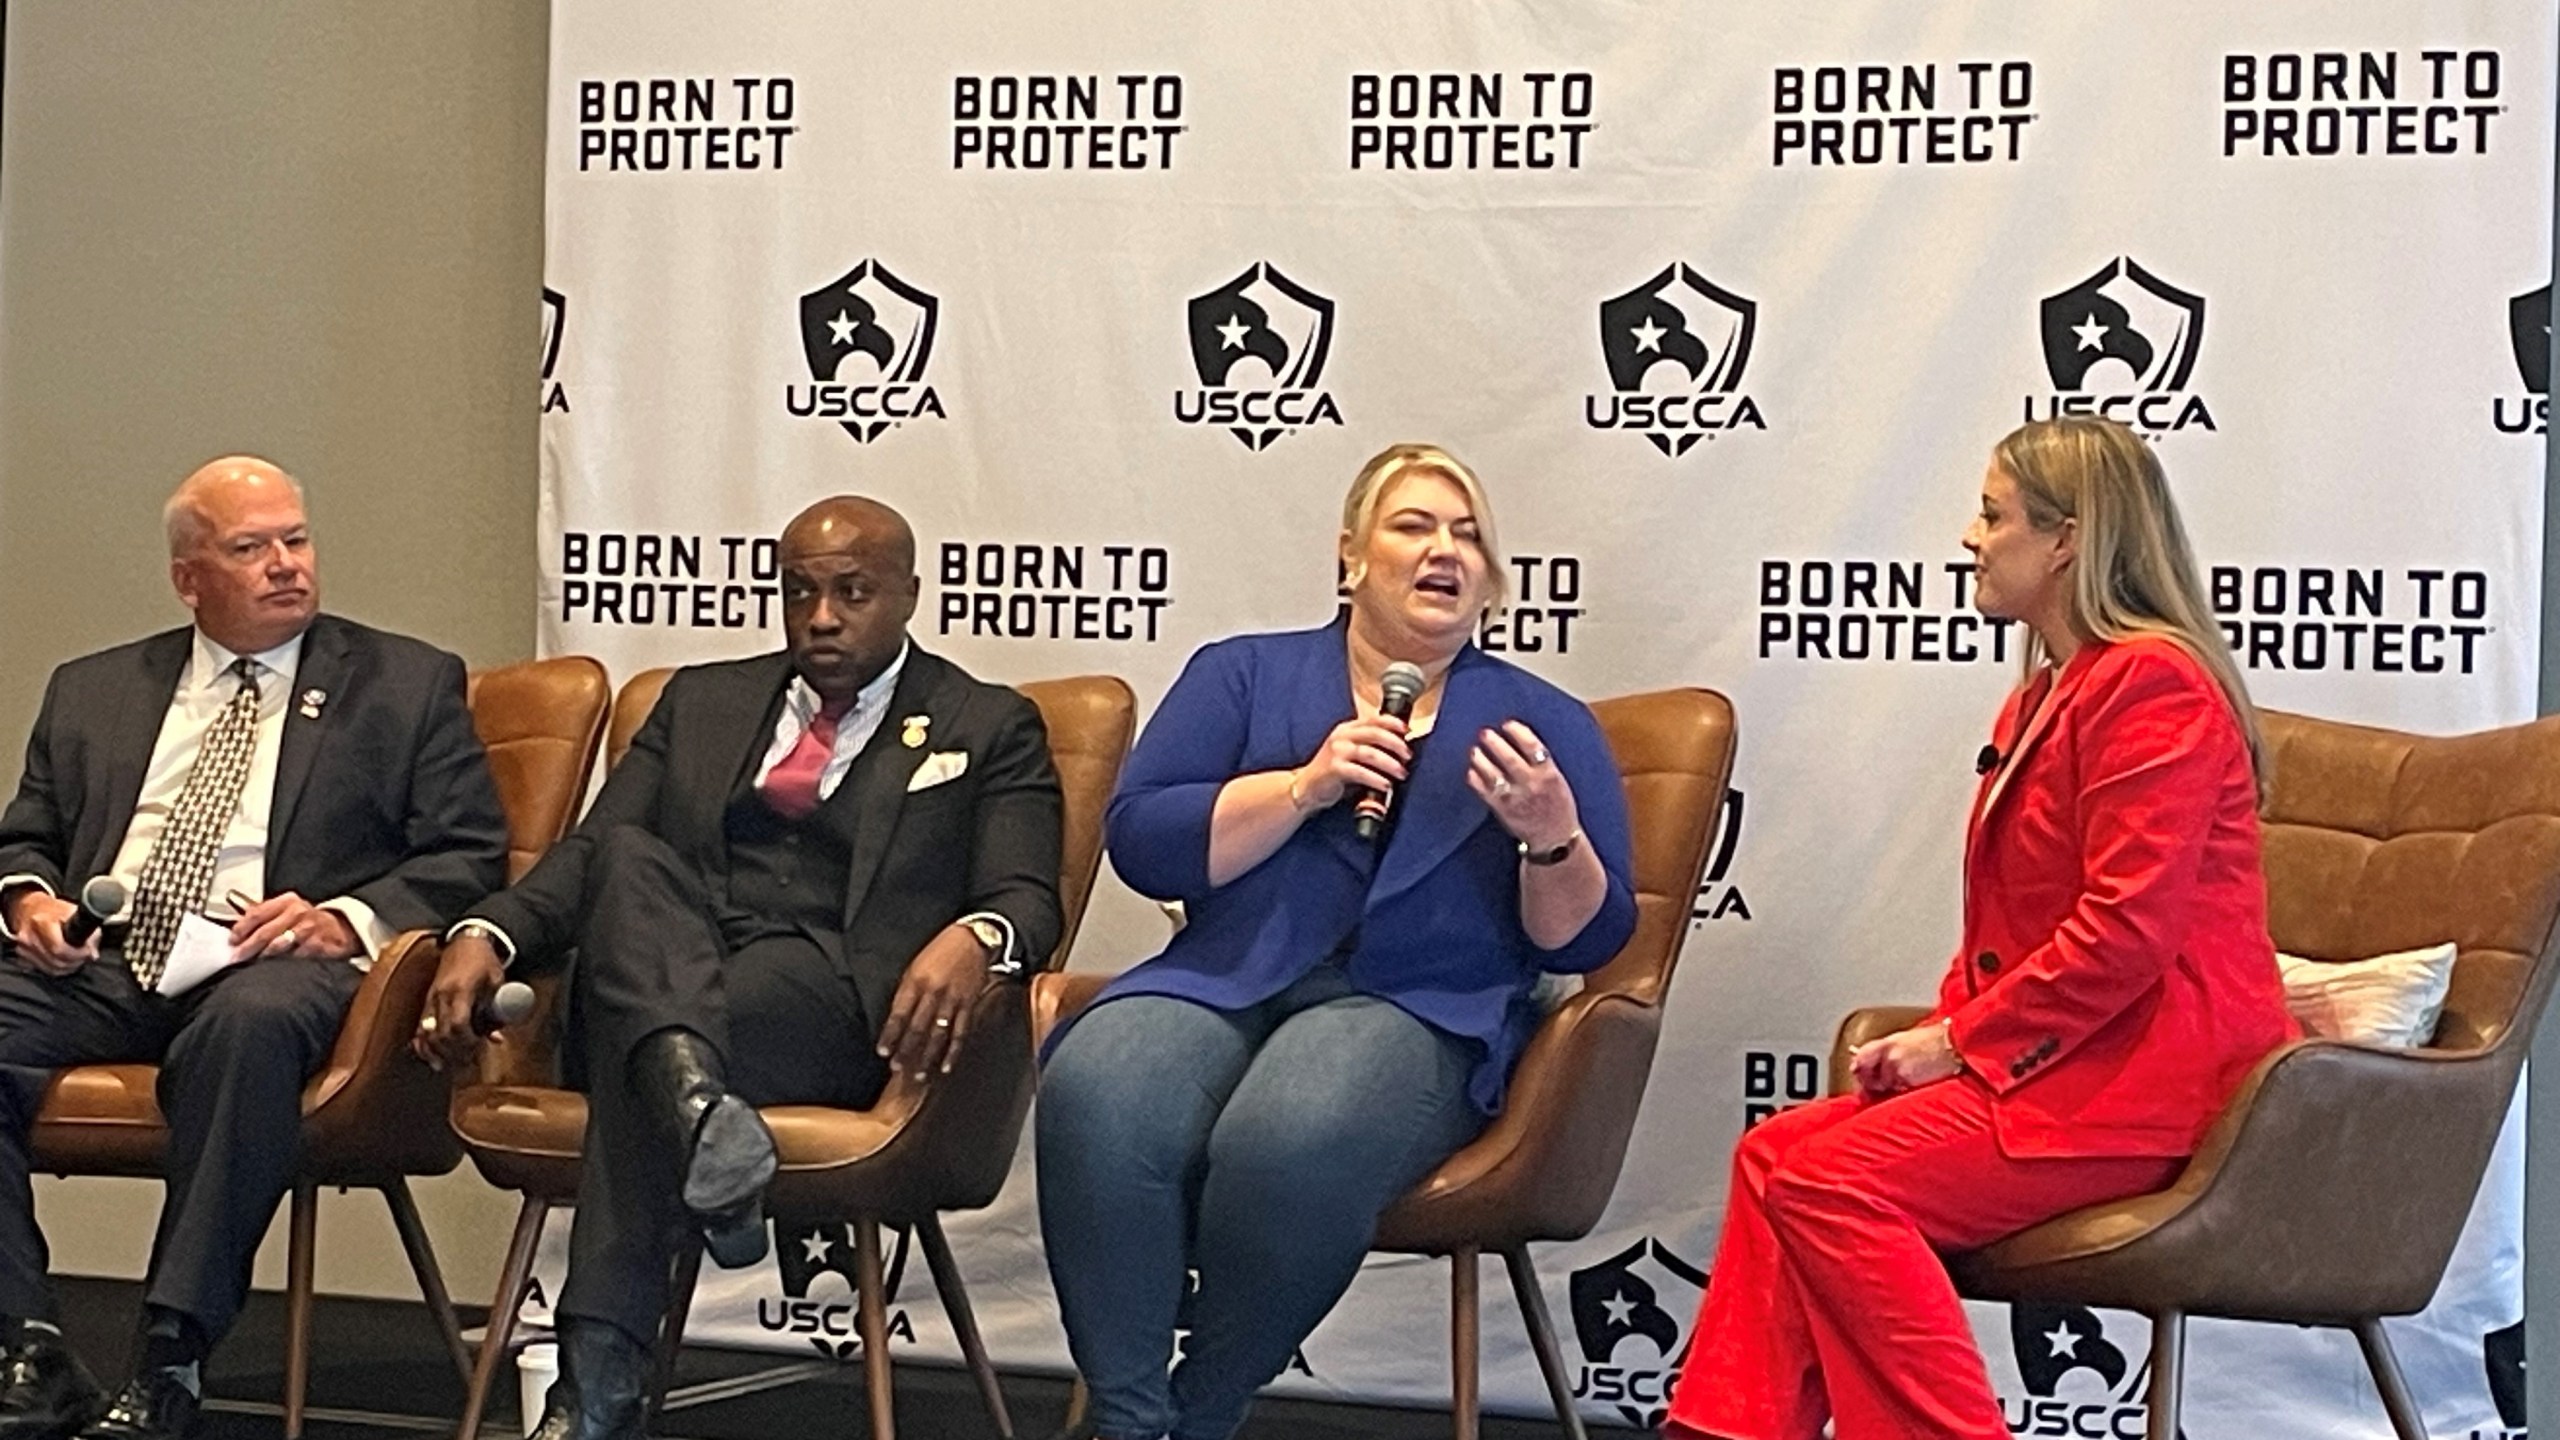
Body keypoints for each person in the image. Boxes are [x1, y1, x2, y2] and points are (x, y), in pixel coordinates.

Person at [1660, 416, 2296, 1440]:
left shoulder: (2153, 684)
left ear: (2068, 541)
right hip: (2064, 1072)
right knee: (1776, 1154)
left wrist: (1959, 1043)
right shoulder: (2043, 695)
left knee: (1829, 1181)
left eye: (1992, 515)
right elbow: (2018, 933)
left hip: (2150, 1088)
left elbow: (2125, 930)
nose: (1968, 536)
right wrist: (1948, 1044)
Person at [417, 495, 1063, 1440]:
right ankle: (697, 1116)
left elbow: (1027, 898)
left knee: (652, 1043)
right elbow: (593, 856)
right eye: (799, 592)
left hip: (831, 1002)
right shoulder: (701, 700)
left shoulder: (987, 723)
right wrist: (490, 932)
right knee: (629, 863)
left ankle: (599, 1381)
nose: (822, 617)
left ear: (910, 594)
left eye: (852, 592)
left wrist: (978, 936)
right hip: (678, 966)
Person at [1037, 443, 1638, 1440]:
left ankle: (1204, 1412)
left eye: (1469, 534)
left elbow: (1590, 938)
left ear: (1490, 579)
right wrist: (1303, 787)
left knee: (1290, 1134)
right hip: (1222, 981)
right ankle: (1127, 1416)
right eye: (1414, 525)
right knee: (1098, 1089)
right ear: (1351, 556)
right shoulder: (1243, 673)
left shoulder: (1544, 722)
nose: (1446, 549)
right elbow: (1145, 842)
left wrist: (1549, 834)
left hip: (1417, 1008)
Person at [0, 457, 508, 1440]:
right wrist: (27, 902)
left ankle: (172, 1350)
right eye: (250, 547)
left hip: (274, 965)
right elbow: (27, 839)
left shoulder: (402, 682)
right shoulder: (93, 687)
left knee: (249, 1024)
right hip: (107, 961)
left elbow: (467, 854)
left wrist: (347, 918)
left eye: (296, 539)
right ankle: (24, 1342)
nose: (285, 564)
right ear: (190, 577)